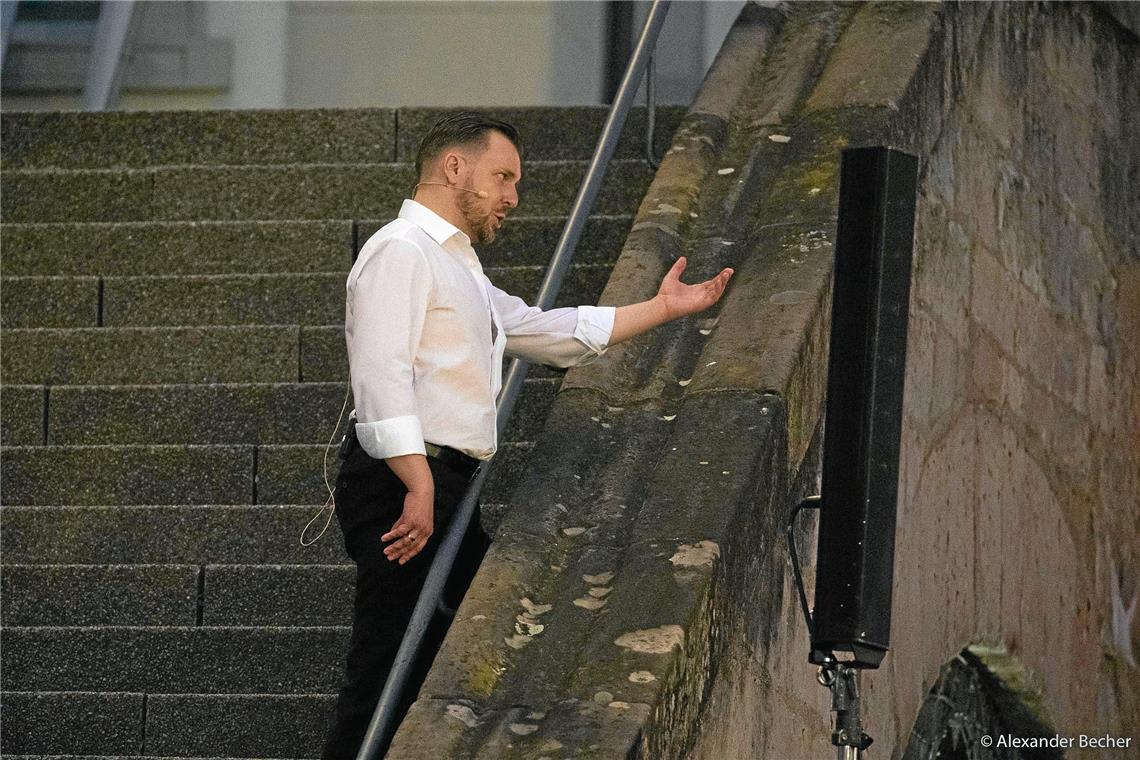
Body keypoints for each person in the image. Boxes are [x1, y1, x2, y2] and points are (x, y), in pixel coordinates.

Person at [322, 112, 733, 758]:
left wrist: (661, 307)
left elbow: (548, 330)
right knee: (386, 669)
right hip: (402, 481)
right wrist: (417, 481)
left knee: (460, 651)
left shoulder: (462, 272)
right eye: (503, 176)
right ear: (454, 168)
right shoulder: (400, 250)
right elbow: (381, 369)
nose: (513, 196)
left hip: (443, 486)